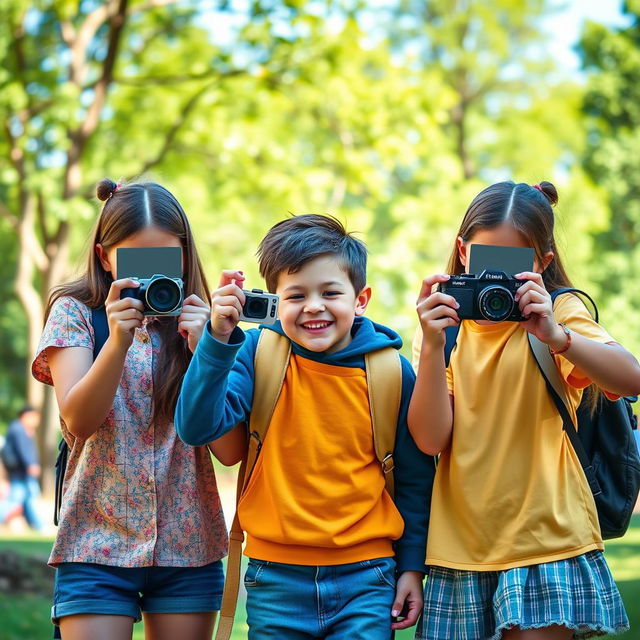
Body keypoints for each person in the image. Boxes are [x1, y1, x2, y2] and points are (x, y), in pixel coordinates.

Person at [175, 214, 435, 639]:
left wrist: (411, 567)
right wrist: (216, 341)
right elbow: (196, 427)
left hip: (367, 577)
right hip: (275, 578)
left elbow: (414, 479)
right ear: (275, 302)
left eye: (330, 292)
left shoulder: (391, 371)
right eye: (296, 295)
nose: (313, 306)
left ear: (361, 298)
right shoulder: (258, 355)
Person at [409, 180, 640, 640]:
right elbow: (431, 439)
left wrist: (558, 337)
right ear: (461, 250)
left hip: (548, 538)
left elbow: (631, 378)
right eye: (486, 261)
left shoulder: (561, 310)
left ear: (543, 263)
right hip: (462, 544)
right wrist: (432, 347)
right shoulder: (446, 331)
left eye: (514, 266)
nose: (497, 279)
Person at [31, 178, 246, 640]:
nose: (149, 279)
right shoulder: (75, 312)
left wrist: (206, 351)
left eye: (163, 260)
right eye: (134, 262)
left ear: (184, 255)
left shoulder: (206, 322)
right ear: (105, 256)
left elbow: (230, 450)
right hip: (95, 543)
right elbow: (79, 421)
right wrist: (117, 341)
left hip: (187, 549)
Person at [0, 405, 43, 531]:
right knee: (15, 500)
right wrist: (31, 464)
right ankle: (39, 526)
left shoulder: (18, 428)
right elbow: (24, 450)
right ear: (26, 416)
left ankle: (37, 525)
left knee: (28, 499)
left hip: (20, 472)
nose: (36, 421)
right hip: (20, 472)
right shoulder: (19, 429)